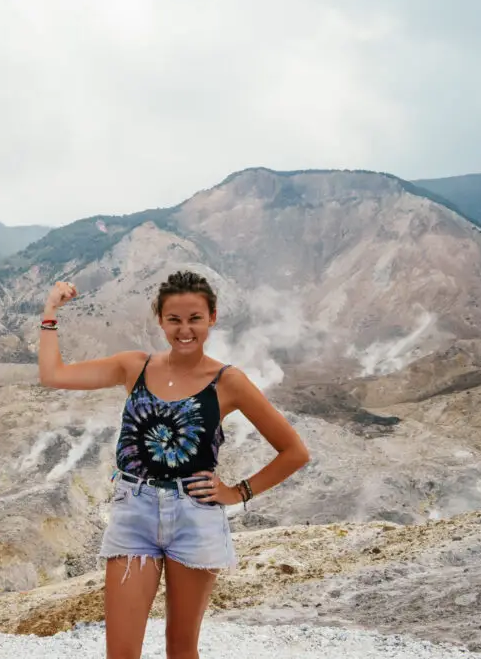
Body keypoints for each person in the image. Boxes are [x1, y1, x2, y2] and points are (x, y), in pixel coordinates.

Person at [37, 270, 310, 659]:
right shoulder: (134, 367)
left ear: (212, 318)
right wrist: (50, 312)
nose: (185, 330)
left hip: (194, 518)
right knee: (121, 653)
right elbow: (53, 375)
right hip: (134, 513)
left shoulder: (228, 382)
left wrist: (237, 492)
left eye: (195, 319)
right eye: (174, 320)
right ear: (161, 321)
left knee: (181, 650)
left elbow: (294, 452)